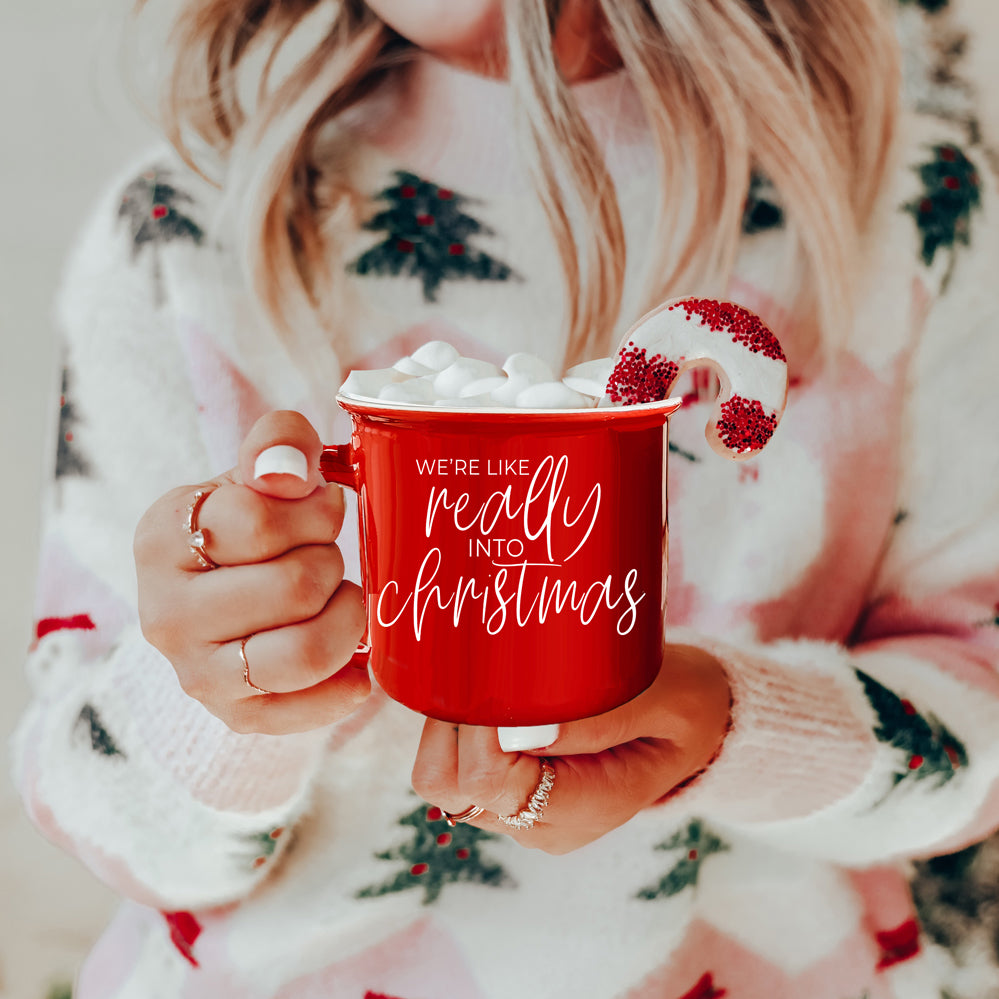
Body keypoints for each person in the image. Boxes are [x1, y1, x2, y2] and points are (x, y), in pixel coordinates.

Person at [12, 0, 999, 995]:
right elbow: (95, 813)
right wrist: (216, 706)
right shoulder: (185, 229)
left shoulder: (915, 208)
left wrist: (734, 728)